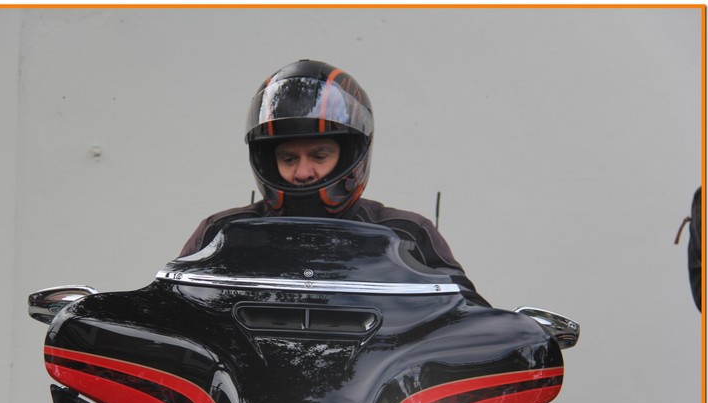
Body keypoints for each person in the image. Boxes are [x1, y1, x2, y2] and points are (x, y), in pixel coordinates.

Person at [180, 59, 489, 306]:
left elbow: (470, 322)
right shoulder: (222, 234)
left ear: (350, 155)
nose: (303, 172)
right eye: (288, 158)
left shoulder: (407, 233)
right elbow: (170, 314)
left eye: (319, 155)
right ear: (268, 161)